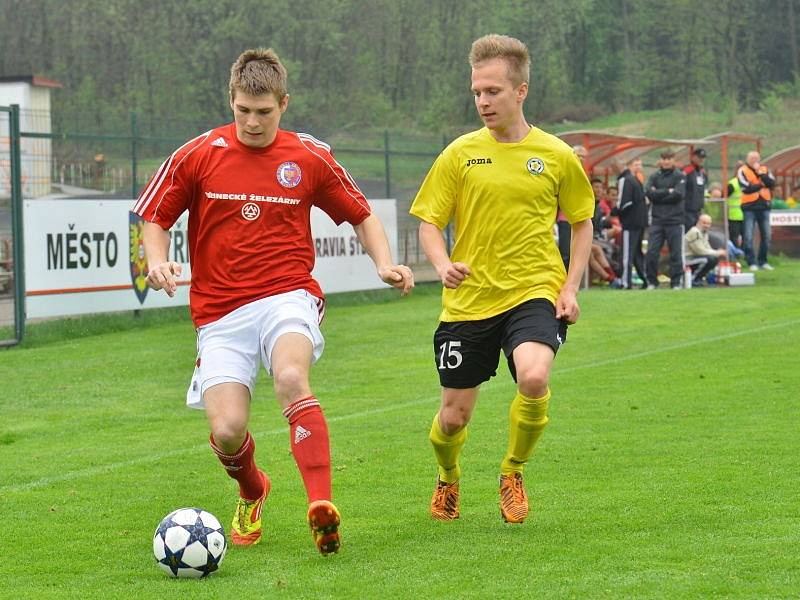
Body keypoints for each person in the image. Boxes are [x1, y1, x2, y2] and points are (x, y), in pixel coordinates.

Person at [132, 48, 414, 555]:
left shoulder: (307, 156)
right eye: (243, 110)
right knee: (227, 430)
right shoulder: (198, 153)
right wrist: (156, 261)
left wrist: (383, 263)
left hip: (287, 295)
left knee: (289, 377)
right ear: (231, 100)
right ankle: (253, 489)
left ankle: (321, 507)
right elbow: (155, 216)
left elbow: (361, 215)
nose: (252, 121)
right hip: (218, 313)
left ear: (284, 103)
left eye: (264, 111)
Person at [409, 34, 594, 524]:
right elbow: (429, 220)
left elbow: (581, 220)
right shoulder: (461, 154)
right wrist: (440, 262)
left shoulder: (555, 155)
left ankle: (513, 471)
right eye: (477, 92)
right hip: (469, 301)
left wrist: (570, 285)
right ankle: (448, 477)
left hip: (534, 289)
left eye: (492, 91)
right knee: (453, 418)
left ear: (521, 91)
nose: (483, 102)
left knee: (534, 377)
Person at [644, 150, 687, 289]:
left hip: (675, 220)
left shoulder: (680, 176)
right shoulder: (654, 176)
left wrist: (659, 194)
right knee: (651, 252)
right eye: (664, 158)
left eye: (669, 158)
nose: (666, 161)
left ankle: (676, 282)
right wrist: (667, 191)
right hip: (657, 220)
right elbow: (649, 193)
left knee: (676, 253)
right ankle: (652, 282)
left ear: (674, 160)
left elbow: (678, 194)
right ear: (660, 161)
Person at [738, 151, 776, 270]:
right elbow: (746, 188)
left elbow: (771, 183)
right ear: (747, 159)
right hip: (749, 207)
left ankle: (763, 261)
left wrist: (760, 173)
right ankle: (751, 262)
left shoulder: (765, 169)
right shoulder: (742, 170)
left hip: (764, 206)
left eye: (756, 158)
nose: (755, 160)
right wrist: (761, 185)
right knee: (748, 236)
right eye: (752, 158)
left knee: (767, 236)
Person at [615, 157, 648, 289]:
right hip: (636, 222)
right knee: (632, 254)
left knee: (631, 253)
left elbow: (623, 202)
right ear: (628, 165)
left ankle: (629, 281)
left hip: (635, 222)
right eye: (636, 164)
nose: (639, 167)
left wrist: (615, 212)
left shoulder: (630, 179)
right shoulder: (631, 180)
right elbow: (626, 202)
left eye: (640, 164)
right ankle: (636, 280)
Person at [684, 214, 726, 286]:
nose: (706, 225)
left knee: (713, 258)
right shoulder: (695, 232)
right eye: (704, 223)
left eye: (708, 223)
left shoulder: (704, 232)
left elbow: (707, 248)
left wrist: (717, 253)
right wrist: (717, 252)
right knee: (710, 259)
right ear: (698, 222)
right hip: (688, 259)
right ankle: (693, 280)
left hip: (696, 257)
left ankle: (699, 279)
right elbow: (700, 251)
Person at [683, 148, 708, 231]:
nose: (701, 160)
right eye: (699, 157)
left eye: (703, 158)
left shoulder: (703, 172)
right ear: (693, 157)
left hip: (698, 209)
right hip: (688, 209)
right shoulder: (687, 171)